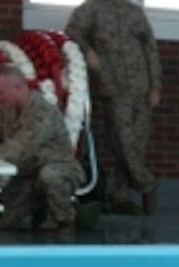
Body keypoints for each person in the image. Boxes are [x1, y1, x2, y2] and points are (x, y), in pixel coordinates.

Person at [66, 0, 162, 216]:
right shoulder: (91, 9)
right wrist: (88, 50)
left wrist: (156, 85)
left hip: (141, 85)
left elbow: (150, 48)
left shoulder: (135, 12)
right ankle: (147, 185)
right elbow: (72, 32)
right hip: (113, 86)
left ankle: (122, 197)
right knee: (123, 142)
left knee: (136, 146)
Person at [0, 64, 85, 237]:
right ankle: (37, 208)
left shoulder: (42, 112)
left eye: (1, 92)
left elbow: (19, 149)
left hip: (58, 167)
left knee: (50, 176)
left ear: (17, 87)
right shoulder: (6, 110)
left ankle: (65, 223)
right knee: (3, 222)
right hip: (27, 173)